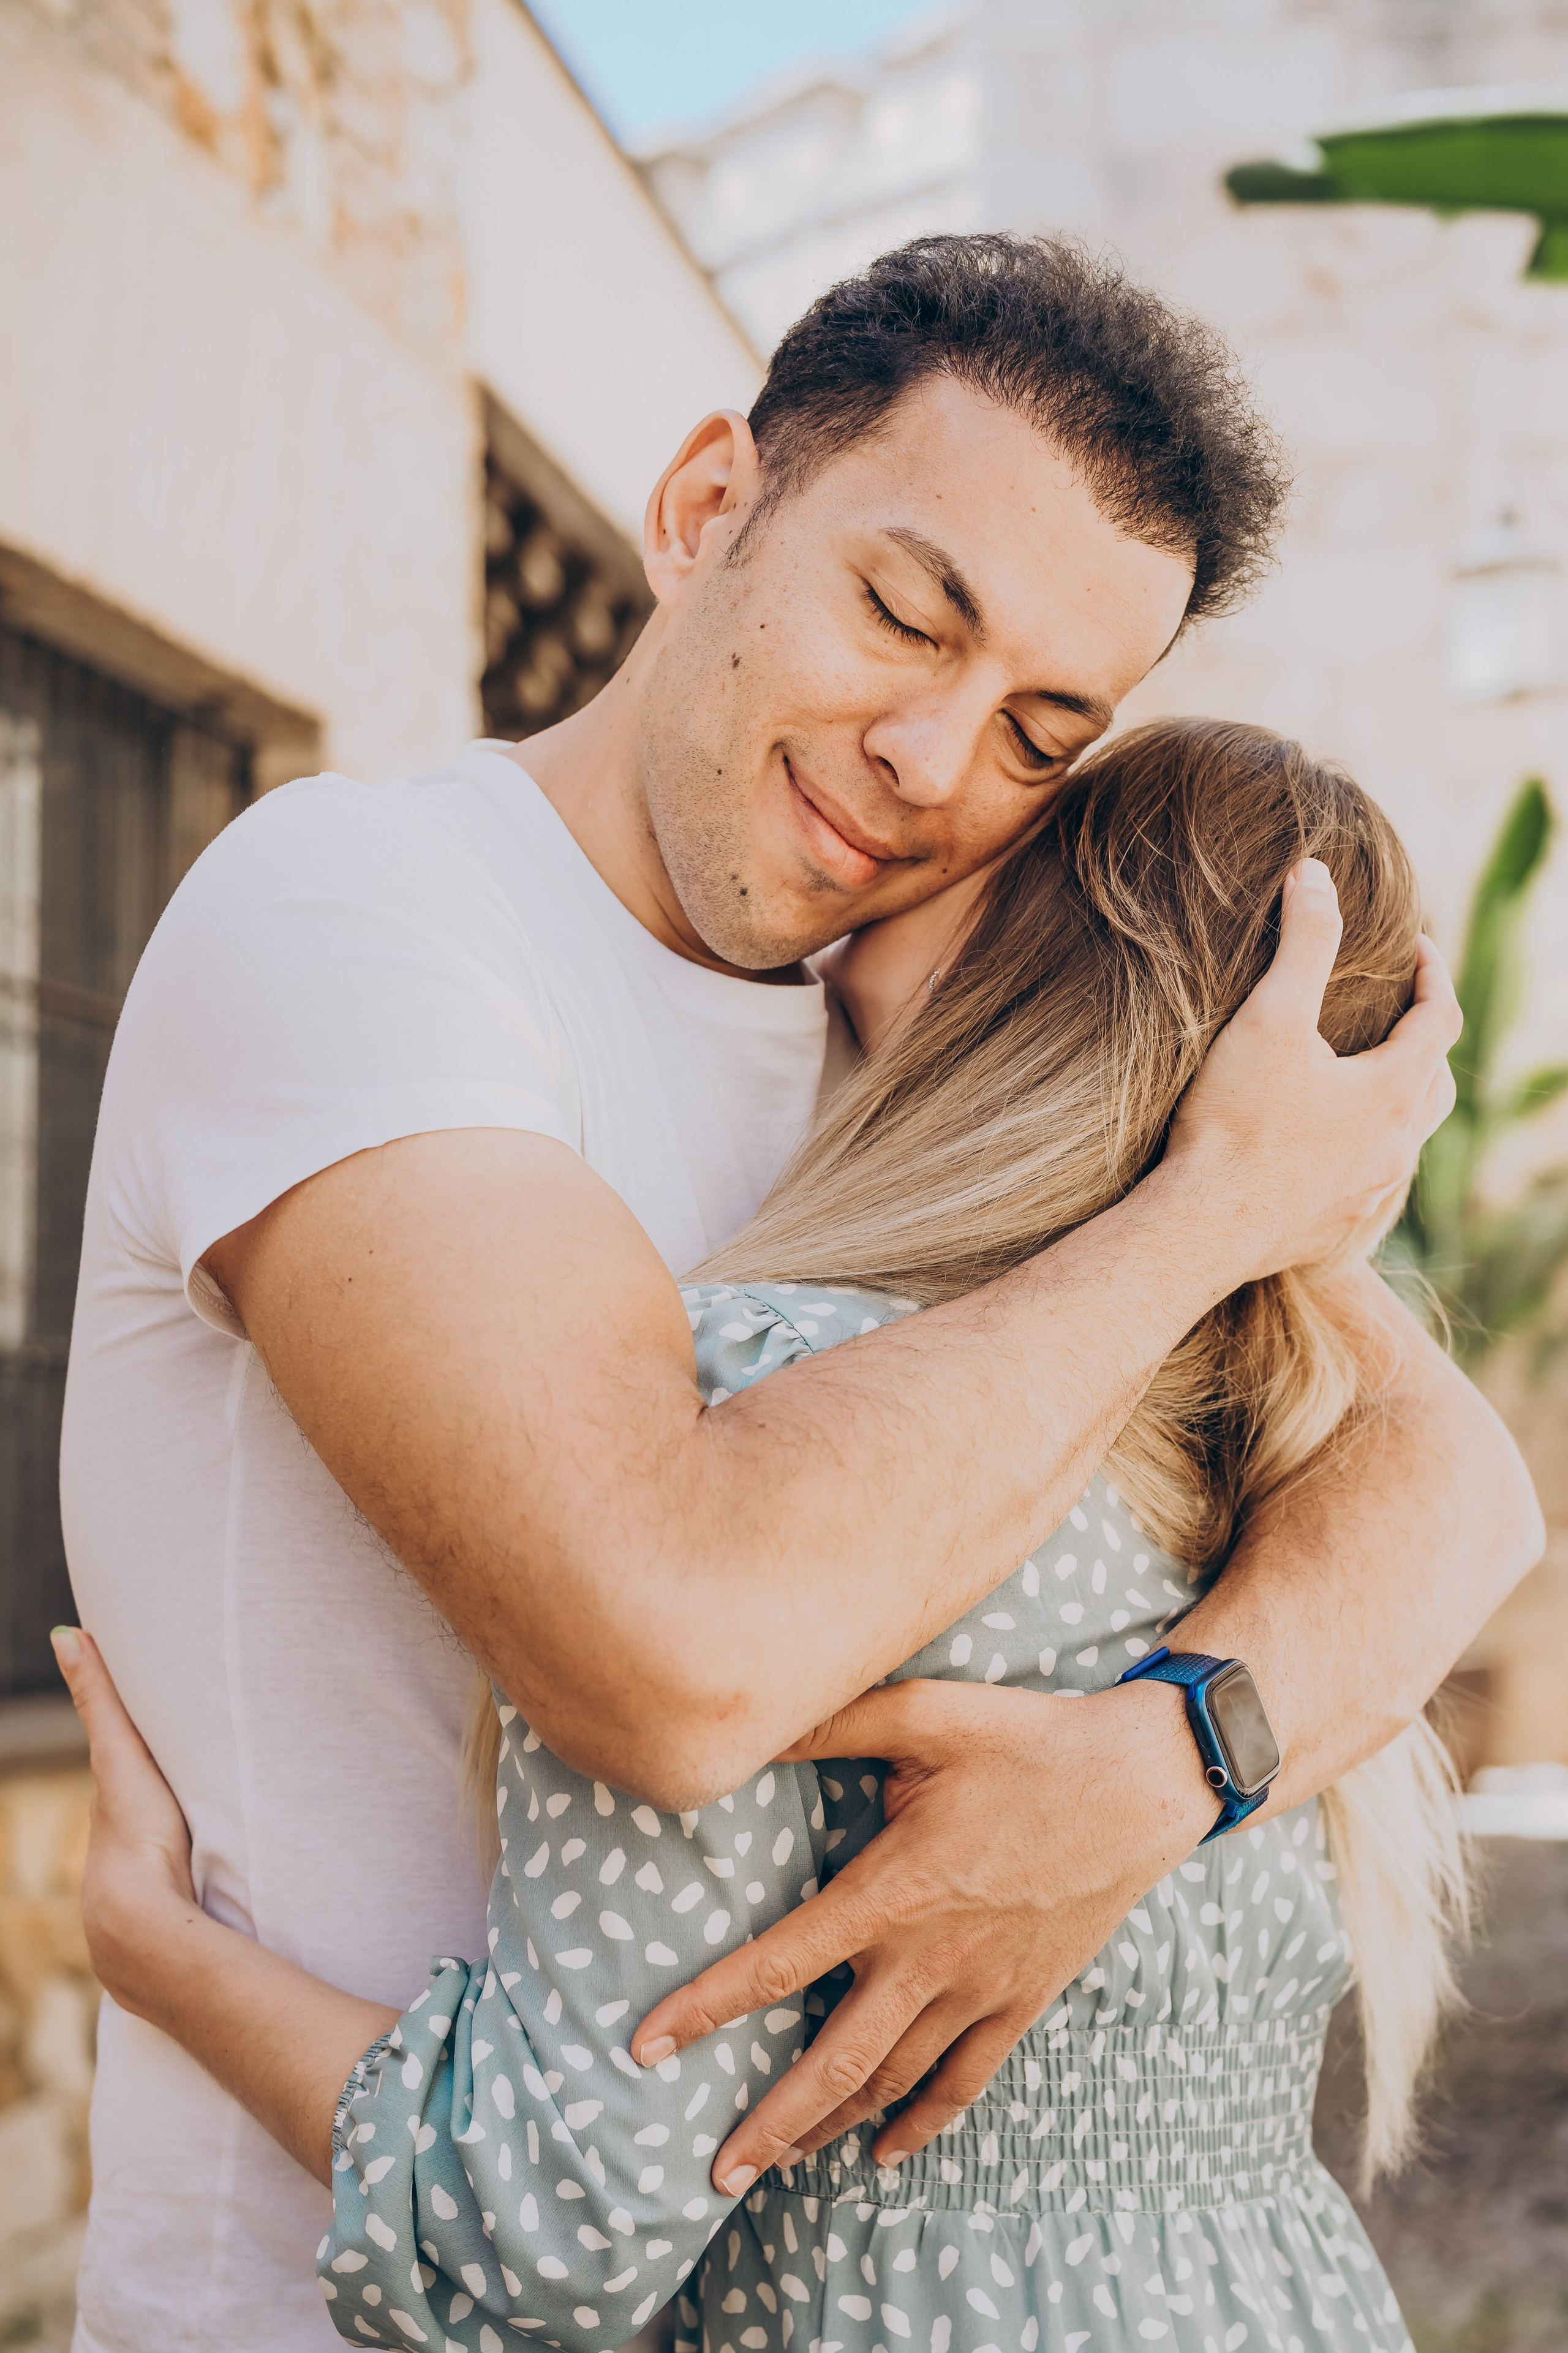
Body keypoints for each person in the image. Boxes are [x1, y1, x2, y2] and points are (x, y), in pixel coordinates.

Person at [58, 236, 1538, 2353]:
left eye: (1043, 730)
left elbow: (1459, 1486)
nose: (938, 756)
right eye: (900, 611)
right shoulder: (365, 917)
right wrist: (1204, 1209)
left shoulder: (912, 1050)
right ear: (702, 509)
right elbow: (673, 1656)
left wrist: (1142, 1773)